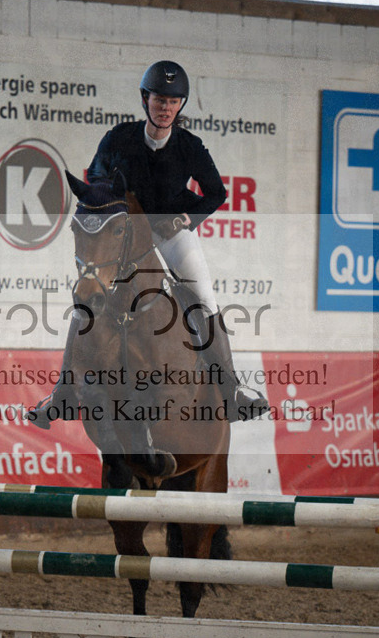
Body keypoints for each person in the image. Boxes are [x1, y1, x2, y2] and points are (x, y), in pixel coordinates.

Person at [27, 60, 269, 429]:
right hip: (125, 235)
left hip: (172, 233)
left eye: (173, 101)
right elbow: (94, 180)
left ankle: (232, 391)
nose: (165, 107)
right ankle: (62, 393)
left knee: (204, 298)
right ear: (145, 99)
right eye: (159, 99)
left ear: (180, 106)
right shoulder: (118, 139)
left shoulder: (190, 146)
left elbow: (216, 193)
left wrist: (188, 219)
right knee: (85, 300)